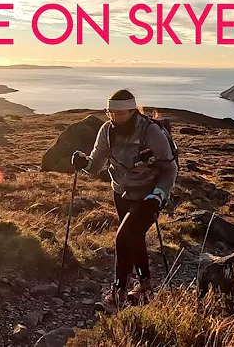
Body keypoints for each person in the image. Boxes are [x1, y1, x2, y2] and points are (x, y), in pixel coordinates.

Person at [71, 89, 178, 314]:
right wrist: (84, 163)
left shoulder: (151, 133)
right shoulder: (107, 131)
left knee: (123, 238)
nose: (115, 118)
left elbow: (169, 168)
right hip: (121, 194)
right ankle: (146, 287)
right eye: (111, 113)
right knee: (134, 238)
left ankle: (117, 294)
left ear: (132, 111)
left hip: (148, 196)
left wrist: (158, 195)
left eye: (120, 114)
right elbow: (96, 163)